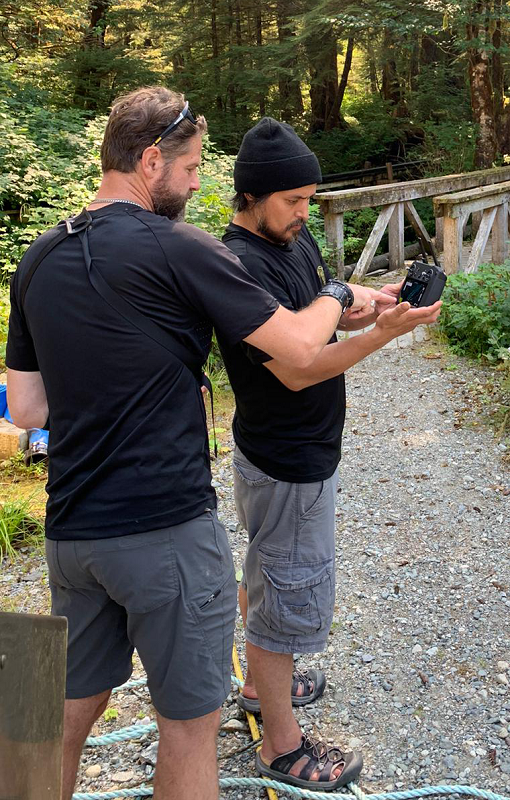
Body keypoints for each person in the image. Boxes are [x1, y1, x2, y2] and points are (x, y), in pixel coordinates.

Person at [5, 88, 389, 800]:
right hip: (164, 530)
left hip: (71, 532)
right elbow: (301, 352)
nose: (197, 184)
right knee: (188, 723)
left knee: (55, 710)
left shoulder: (40, 252)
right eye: (187, 169)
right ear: (150, 161)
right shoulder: (181, 246)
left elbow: (28, 406)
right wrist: (337, 293)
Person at [218, 117, 442, 792]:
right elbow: (299, 367)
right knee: (289, 596)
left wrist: (373, 305)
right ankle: (281, 746)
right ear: (252, 195)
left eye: (311, 200)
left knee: (272, 578)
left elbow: (322, 307)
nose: (304, 213)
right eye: (293, 201)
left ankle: (264, 686)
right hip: (288, 460)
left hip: (290, 455)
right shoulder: (238, 265)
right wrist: (391, 335)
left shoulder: (291, 236)